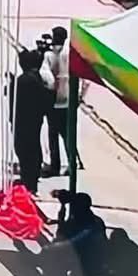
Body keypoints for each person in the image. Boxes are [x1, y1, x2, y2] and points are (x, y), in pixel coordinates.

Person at [12, 48, 54, 193]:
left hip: (23, 121)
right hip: (35, 120)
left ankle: (28, 181)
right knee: (33, 149)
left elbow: (15, 102)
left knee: (24, 150)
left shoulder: (23, 81)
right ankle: (30, 181)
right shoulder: (38, 79)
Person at [44, 26, 82, 176]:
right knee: (68, 134)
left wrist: (52, 86)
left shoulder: (49, 55)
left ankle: (55, 165)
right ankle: (73, 163)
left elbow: (45, 74)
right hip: (69, 100)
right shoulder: (71, 54)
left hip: (54, 100)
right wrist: (79, 96)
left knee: (53, 134)